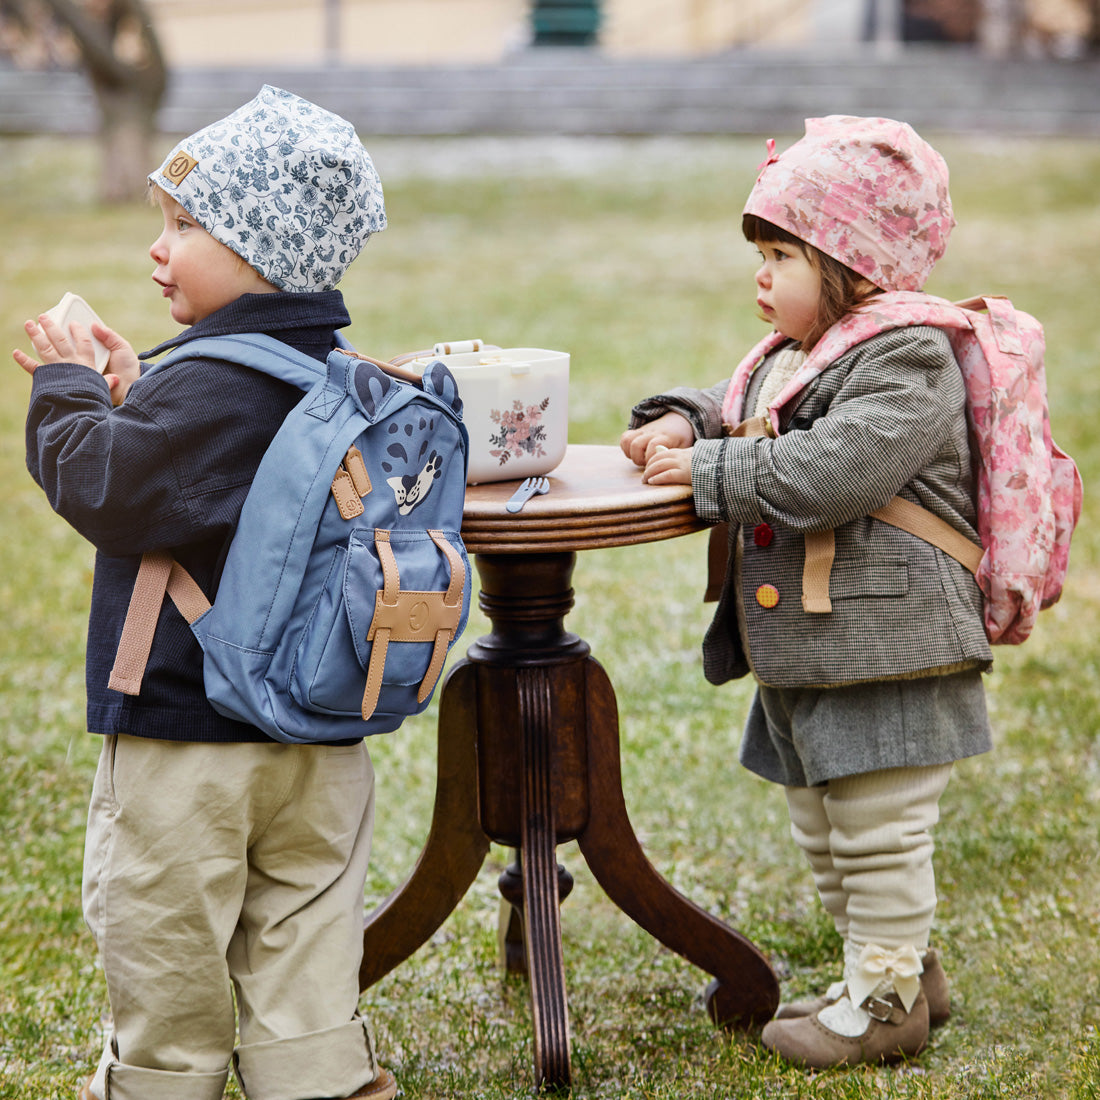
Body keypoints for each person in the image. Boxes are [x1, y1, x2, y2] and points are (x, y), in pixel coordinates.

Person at [16, 86, 396, 1100]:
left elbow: (109, 487)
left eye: (185, 225)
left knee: (162, 937)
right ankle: (318, 1077)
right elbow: (201, 466)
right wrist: (135, 388)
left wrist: (62, 387)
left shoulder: (208, 387)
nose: (159, 247)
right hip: (318, 732)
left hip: (187, 730)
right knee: (306, 926)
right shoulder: (336, 374)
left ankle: (161, 1081)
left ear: (260, 251)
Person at [620, 116, 993, 1069]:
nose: (762, 275)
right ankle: (900, 967)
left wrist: (708, 473)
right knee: (827, 828)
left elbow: (833, 470)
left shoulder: (907, 358)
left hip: (888, 647)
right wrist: (679, 420)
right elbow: (740, 405)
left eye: (782, 254)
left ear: (853, 264)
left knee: (876, 829)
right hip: (815, 654)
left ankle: (887, 1004)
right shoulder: (801, 351)